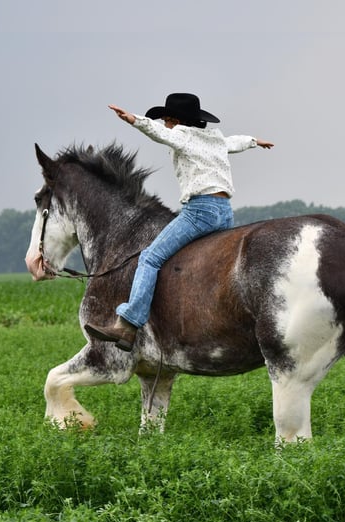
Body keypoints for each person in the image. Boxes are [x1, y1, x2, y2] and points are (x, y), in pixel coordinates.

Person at [84, 93, 274, 351]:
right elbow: (234, 142)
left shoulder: (181, 135)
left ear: (175, 121)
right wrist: (254, 141)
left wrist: (134, 120)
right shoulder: (214, 139)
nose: (164, 126)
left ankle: (127, 325)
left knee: (150, 258)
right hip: (224, 212)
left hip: (200, 211)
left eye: (166, 121)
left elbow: (158, 134)